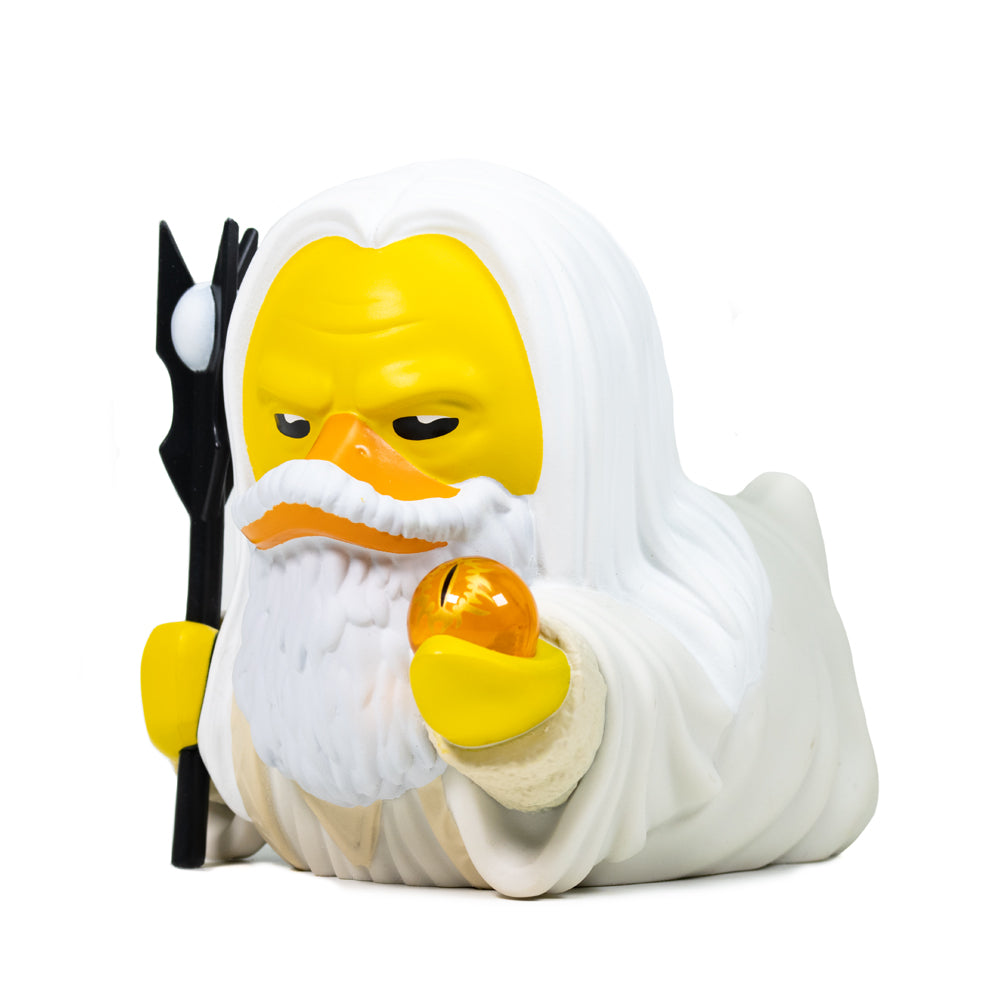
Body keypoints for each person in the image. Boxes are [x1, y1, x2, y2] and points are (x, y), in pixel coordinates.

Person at [143, 162, 877, 897]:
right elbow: (291, 735)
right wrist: (212, 745)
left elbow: (672, 706)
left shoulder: (655, 644)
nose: (337, 471)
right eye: (291, 424)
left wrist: (547, 729)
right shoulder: (276, 632)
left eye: (422, 424)